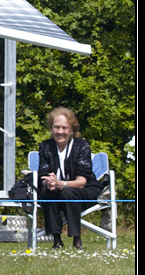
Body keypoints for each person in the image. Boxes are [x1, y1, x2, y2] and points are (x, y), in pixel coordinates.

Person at [37, 107, 102, 249]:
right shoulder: (45, 146)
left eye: (64, 128)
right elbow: (42, 174)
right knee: (47, 192)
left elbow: (82, 182)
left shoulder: (82, 146)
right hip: (54, 192)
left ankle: (76, 239)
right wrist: (49, 182)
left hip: (83, 192)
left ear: (72, 130)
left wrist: (61, 184)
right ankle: (56, 240)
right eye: (56, 127)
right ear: (51, 128)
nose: (60, 131)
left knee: (68, 192)